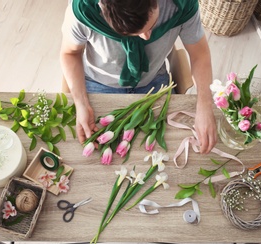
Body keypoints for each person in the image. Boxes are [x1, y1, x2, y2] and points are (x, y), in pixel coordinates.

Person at [60, 0, 217, 154]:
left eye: (151, 26)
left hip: (153, 80)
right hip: (99, 82)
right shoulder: (83, 9)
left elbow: (200, 54)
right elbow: (69, 53)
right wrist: (81, 103)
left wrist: (205, 106)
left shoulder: (181, 4)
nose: (146, 37)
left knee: (168, 150)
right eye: (131, 34)